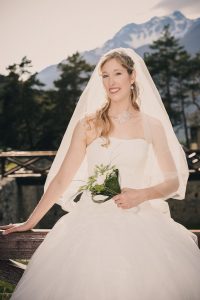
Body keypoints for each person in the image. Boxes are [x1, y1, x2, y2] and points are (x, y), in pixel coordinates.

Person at [1, 48, 200, 300]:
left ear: (132, 76)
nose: (111, 81)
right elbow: (62, 179)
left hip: (141, 226)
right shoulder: (88, 124)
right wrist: (30, 222)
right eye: (105, 76)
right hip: (88, 225)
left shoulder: (152, 125)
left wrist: (142, 194)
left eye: (117, 73)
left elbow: (173, 181)